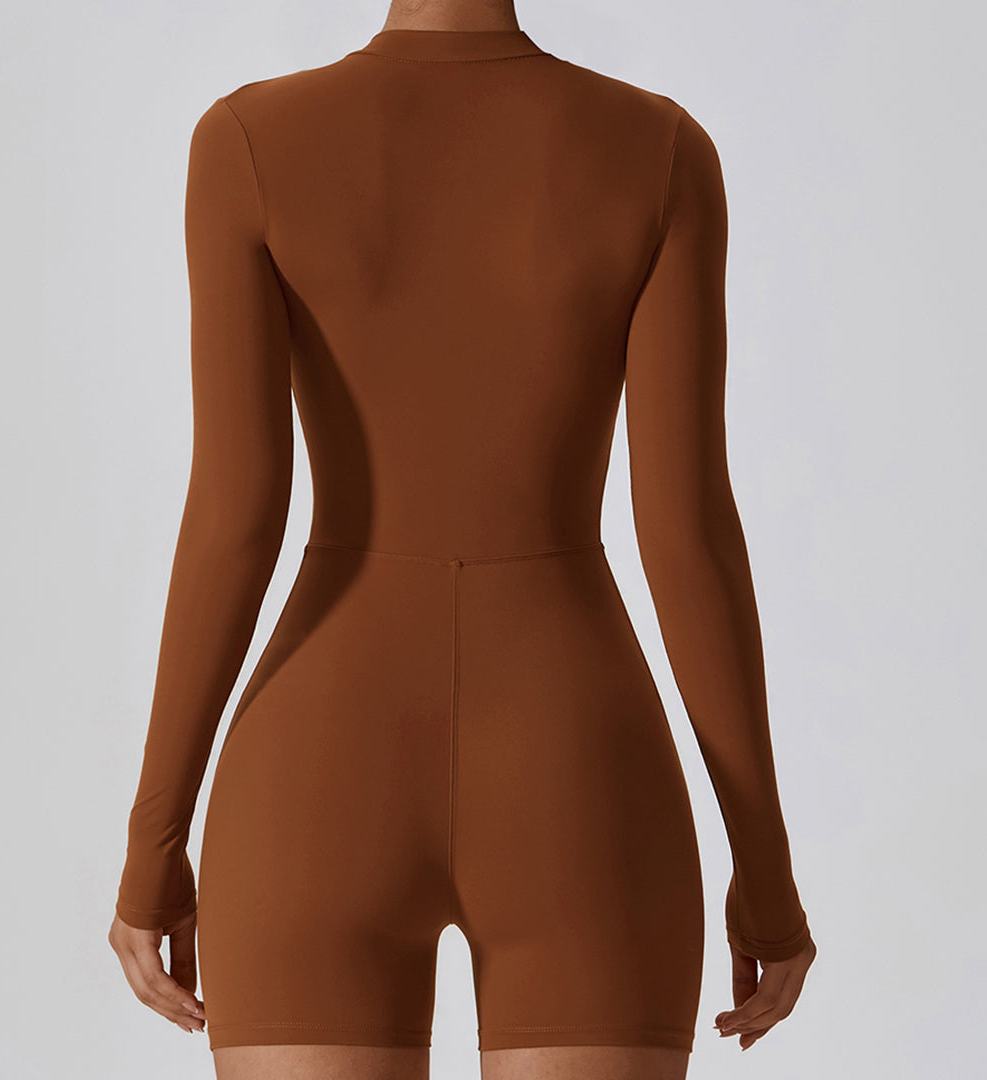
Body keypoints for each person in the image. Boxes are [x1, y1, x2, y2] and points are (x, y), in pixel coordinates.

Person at [108, 2, 817, 1077]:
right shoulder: (660, 151)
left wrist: (153, 848)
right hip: (575, 757)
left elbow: (236, 517)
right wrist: (764, 872)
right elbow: (686, 537)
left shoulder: (249, 142)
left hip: (318, 767)